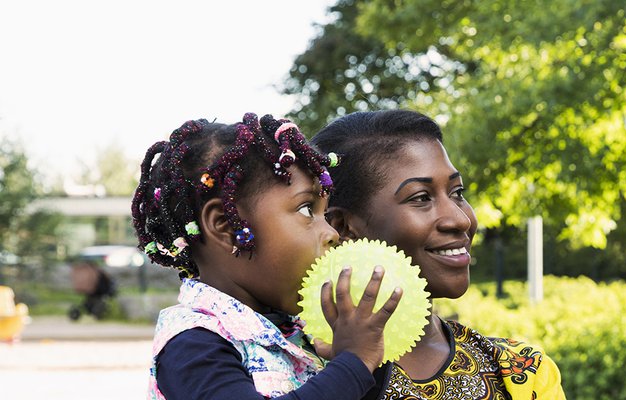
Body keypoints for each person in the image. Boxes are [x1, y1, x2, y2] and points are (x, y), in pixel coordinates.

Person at [135, 114, 403, 399]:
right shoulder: (192, 345)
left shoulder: (299, 334)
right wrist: (353, 364)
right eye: (306, 210)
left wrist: (362, 359)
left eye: (325, 213)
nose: (332, 233)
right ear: (226, 226)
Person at [311, 110, 564, 400]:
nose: (460, 220)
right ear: (342, 226)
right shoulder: (286, 371)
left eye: (457, 192)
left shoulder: (522, 373)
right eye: (421, 198)